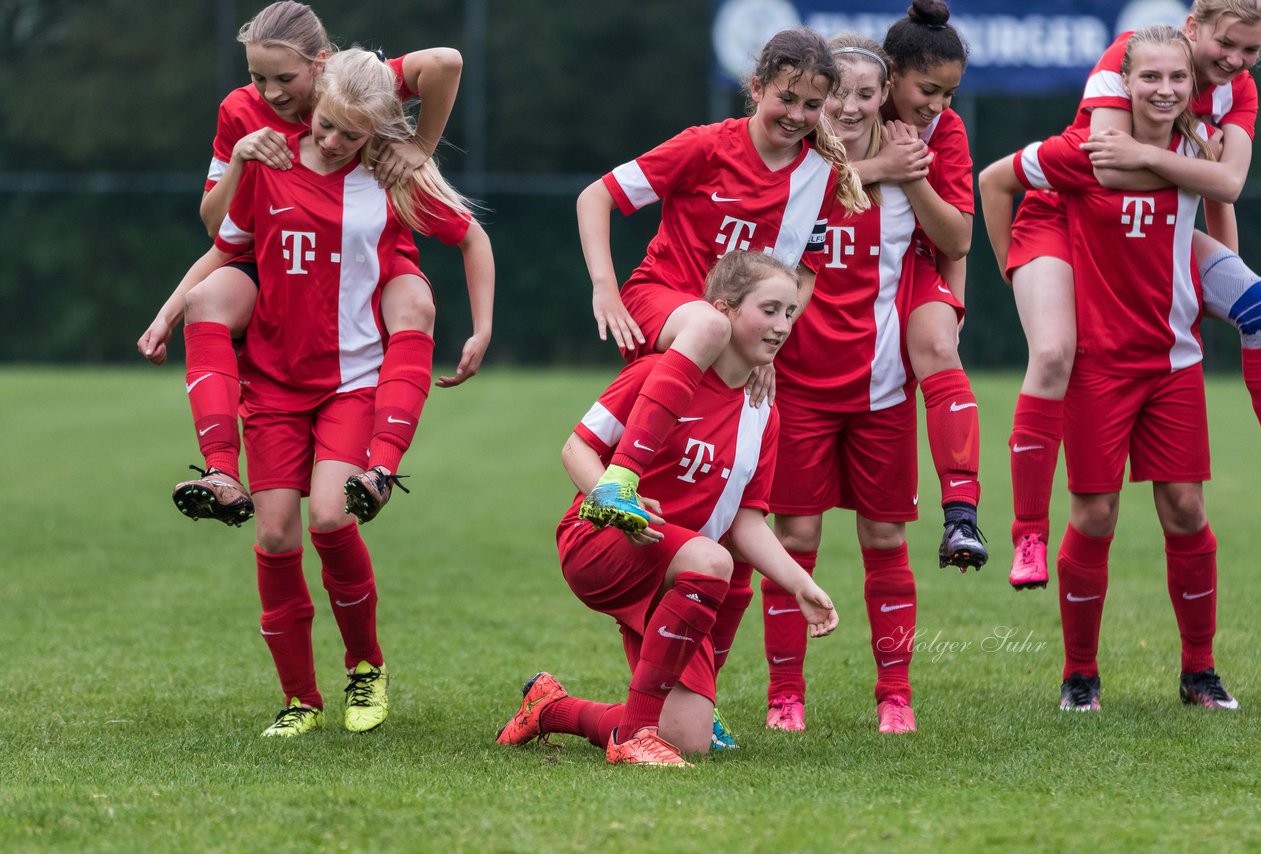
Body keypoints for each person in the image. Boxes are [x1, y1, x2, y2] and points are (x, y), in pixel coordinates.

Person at [158, 48, 493, 735]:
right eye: (327, 126)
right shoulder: (271, 159)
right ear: (317, 107)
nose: (333, 141)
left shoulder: (391, 179)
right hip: (275, 382)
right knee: (277, 535)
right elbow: (227, 243)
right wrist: (173, 308)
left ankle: (365, 669)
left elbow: (473, 238)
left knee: (332, 518)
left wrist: (482, 329)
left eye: (351, 133)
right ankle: (299, 700)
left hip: (352, 381)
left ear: (374, 133)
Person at [137, 1, 477, 525]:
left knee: (412, 301)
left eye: (285, 77)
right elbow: (217, 229)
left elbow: (445, 62)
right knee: (206, 300)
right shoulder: (238, 111)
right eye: (257, 76)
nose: (270, 92)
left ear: (320, 64)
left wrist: (421, 147)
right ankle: (221, 470)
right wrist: (167, 313)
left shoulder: (353, 86)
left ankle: (382, 466)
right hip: (268, 252)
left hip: (360, 258)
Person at [980, 25, 1239, 713]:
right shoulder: (1084, 152)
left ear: (1194, 86)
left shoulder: (1201, 151)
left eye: (1177, 79)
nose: (1164, 89)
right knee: (1095, 516)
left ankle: (1200, 672)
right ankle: (1080, 676)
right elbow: (995, 182)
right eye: (1149, 78)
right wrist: (1020, 271)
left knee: (1186, 510)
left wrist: (1224, 287)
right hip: (1098, 364)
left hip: (1173, 358)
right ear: (1122, 85)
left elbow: (1222, 203)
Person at [494, 251, 839, 766]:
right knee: (712, 561)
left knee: (687, 738)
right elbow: (576, 449)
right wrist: (618, 504)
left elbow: (746, 521)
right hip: (600, 543)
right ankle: (633, 737)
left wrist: (799, 583)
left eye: (790, 313)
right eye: (769, 310)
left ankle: (551, 708)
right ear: (722, 310)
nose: (782, 325)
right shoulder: (658, 373)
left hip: (680, 572)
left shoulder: (763, 411)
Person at [1004, 0, 1261, 592]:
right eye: (1225, 43)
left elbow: (1224, 188)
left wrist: (1220, 274)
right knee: (1053, 354)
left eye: (1250, 50)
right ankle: (1028, 530)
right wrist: (1014, 265)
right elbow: (1106, 168)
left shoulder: (1237, 93)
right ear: (1193, 27)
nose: (1234, 59)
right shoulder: (1128, 56)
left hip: (1154, 216)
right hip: (1066, 213)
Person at [572, 28, 867, 536]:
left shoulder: (822, 173)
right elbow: (596, 196)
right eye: (786, 98)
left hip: (735, 335)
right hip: (660, 301)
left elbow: (801, 273)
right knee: (710, 326)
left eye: (812, 104)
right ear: (756, 88)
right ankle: (617, 480)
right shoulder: (706, 145)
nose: (797, 115)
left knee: (720, 519)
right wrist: (604, 287)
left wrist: (768, 351)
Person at [753, 33, 932, 736]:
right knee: (793, 532)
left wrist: (899, 169)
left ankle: (895, 693)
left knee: (885, 535)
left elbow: (957, 239)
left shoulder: (906, 177)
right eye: (838, 94)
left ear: (884, 99)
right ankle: (784, 694)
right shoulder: (793, 175)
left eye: (866, 93)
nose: (849, 106)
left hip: (883, 390)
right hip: (795, 388)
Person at [872, 0, 986, 572]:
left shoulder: (946, 132)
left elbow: (957, 239)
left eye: (949, 94)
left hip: (912, 271)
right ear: (889, 73)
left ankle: (962, 516)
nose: (938, 105)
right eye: (927, 89)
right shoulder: (844, 111)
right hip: (835, 273)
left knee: (940, 345)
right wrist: (878, 164)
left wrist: (911, 171)